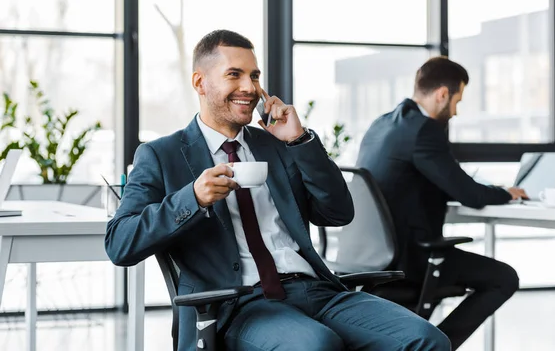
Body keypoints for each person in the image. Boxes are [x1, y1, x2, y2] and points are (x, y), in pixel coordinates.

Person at [105, 30, 450, 351]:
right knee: (316, 345)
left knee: (426, 339)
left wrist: (300, 141)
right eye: (234, 74)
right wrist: (192, 197)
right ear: (200, 82)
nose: (250, 87)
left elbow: (338, 212)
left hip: (316, 290)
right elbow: (121, 243)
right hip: (239, 304)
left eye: (254, 76)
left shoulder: (276, 145)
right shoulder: (161, 155)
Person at [356, 56, 526, 350]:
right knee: (504, 278)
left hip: (371, 254)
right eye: (457, 101)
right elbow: (469, 195)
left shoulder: (383, 124)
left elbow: (421, 179)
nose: (456, 112)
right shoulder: (424, 130)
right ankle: (437, 346)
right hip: (412, 257)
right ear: (442, 94)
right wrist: (507, 192)